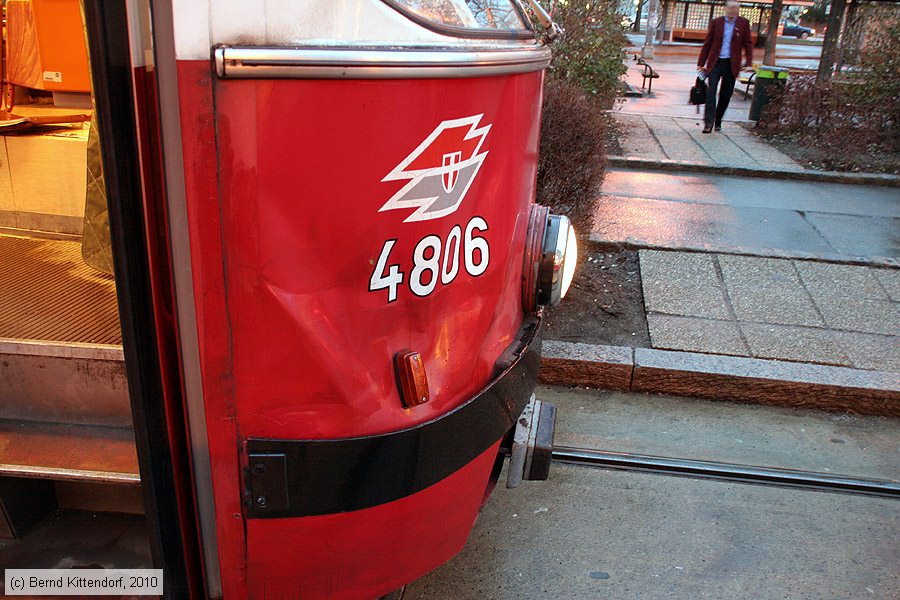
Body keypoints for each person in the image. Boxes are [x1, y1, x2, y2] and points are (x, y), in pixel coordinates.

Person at [697, 0, 753, 133]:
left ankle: (718, 120)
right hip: (716, 62)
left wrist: (748, 63)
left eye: (736, 8)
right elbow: (708, 43)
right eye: (731, 8)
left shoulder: (743, 23)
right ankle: (708, 123)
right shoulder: (717, 22)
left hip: (731, 64)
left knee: (726, 94)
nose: (733, 11)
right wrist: (701, 62)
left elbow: (748, 44)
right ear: (726, 9)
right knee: (711, 92)